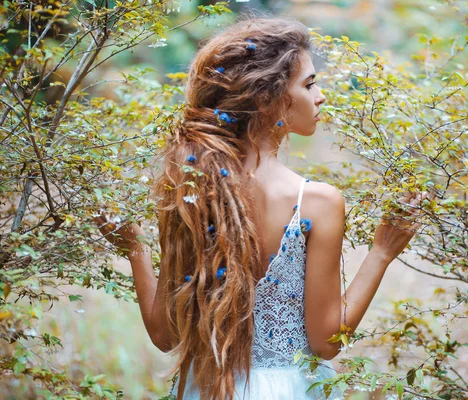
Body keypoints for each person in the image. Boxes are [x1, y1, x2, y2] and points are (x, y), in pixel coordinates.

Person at [95, 17, 426, 400]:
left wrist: (134, 249)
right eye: (309, 84)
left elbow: (165, 335)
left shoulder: (190, 188)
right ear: (269, 99)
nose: (320, 97)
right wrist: (381, 252)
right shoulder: (317, 202)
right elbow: (326, 343)